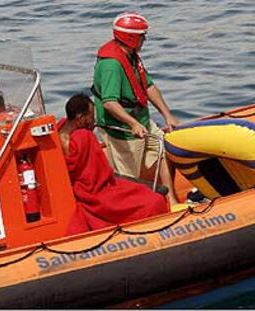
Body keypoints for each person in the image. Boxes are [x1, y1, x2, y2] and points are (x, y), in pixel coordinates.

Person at [92, 12, 180, 205]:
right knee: (127, 174)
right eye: (142, 36)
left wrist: (168, 115)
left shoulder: (131, 57)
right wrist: (132, 123)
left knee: (162, 148)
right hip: (123, 129)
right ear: (130, 37)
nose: (144, 39)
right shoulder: (111, 65)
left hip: (142, 120)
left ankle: (171, 200)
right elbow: (109, 102)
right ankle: (133, 211)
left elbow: (147, 86)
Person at [58, 93, 169, 235]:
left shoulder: (59, 131)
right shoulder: (83, 137)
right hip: (95, 191)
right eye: (91, 117)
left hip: (80, 188)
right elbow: (97, 178)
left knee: (138, 189)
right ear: (80, 118)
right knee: (154, 201)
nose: (94, 122)